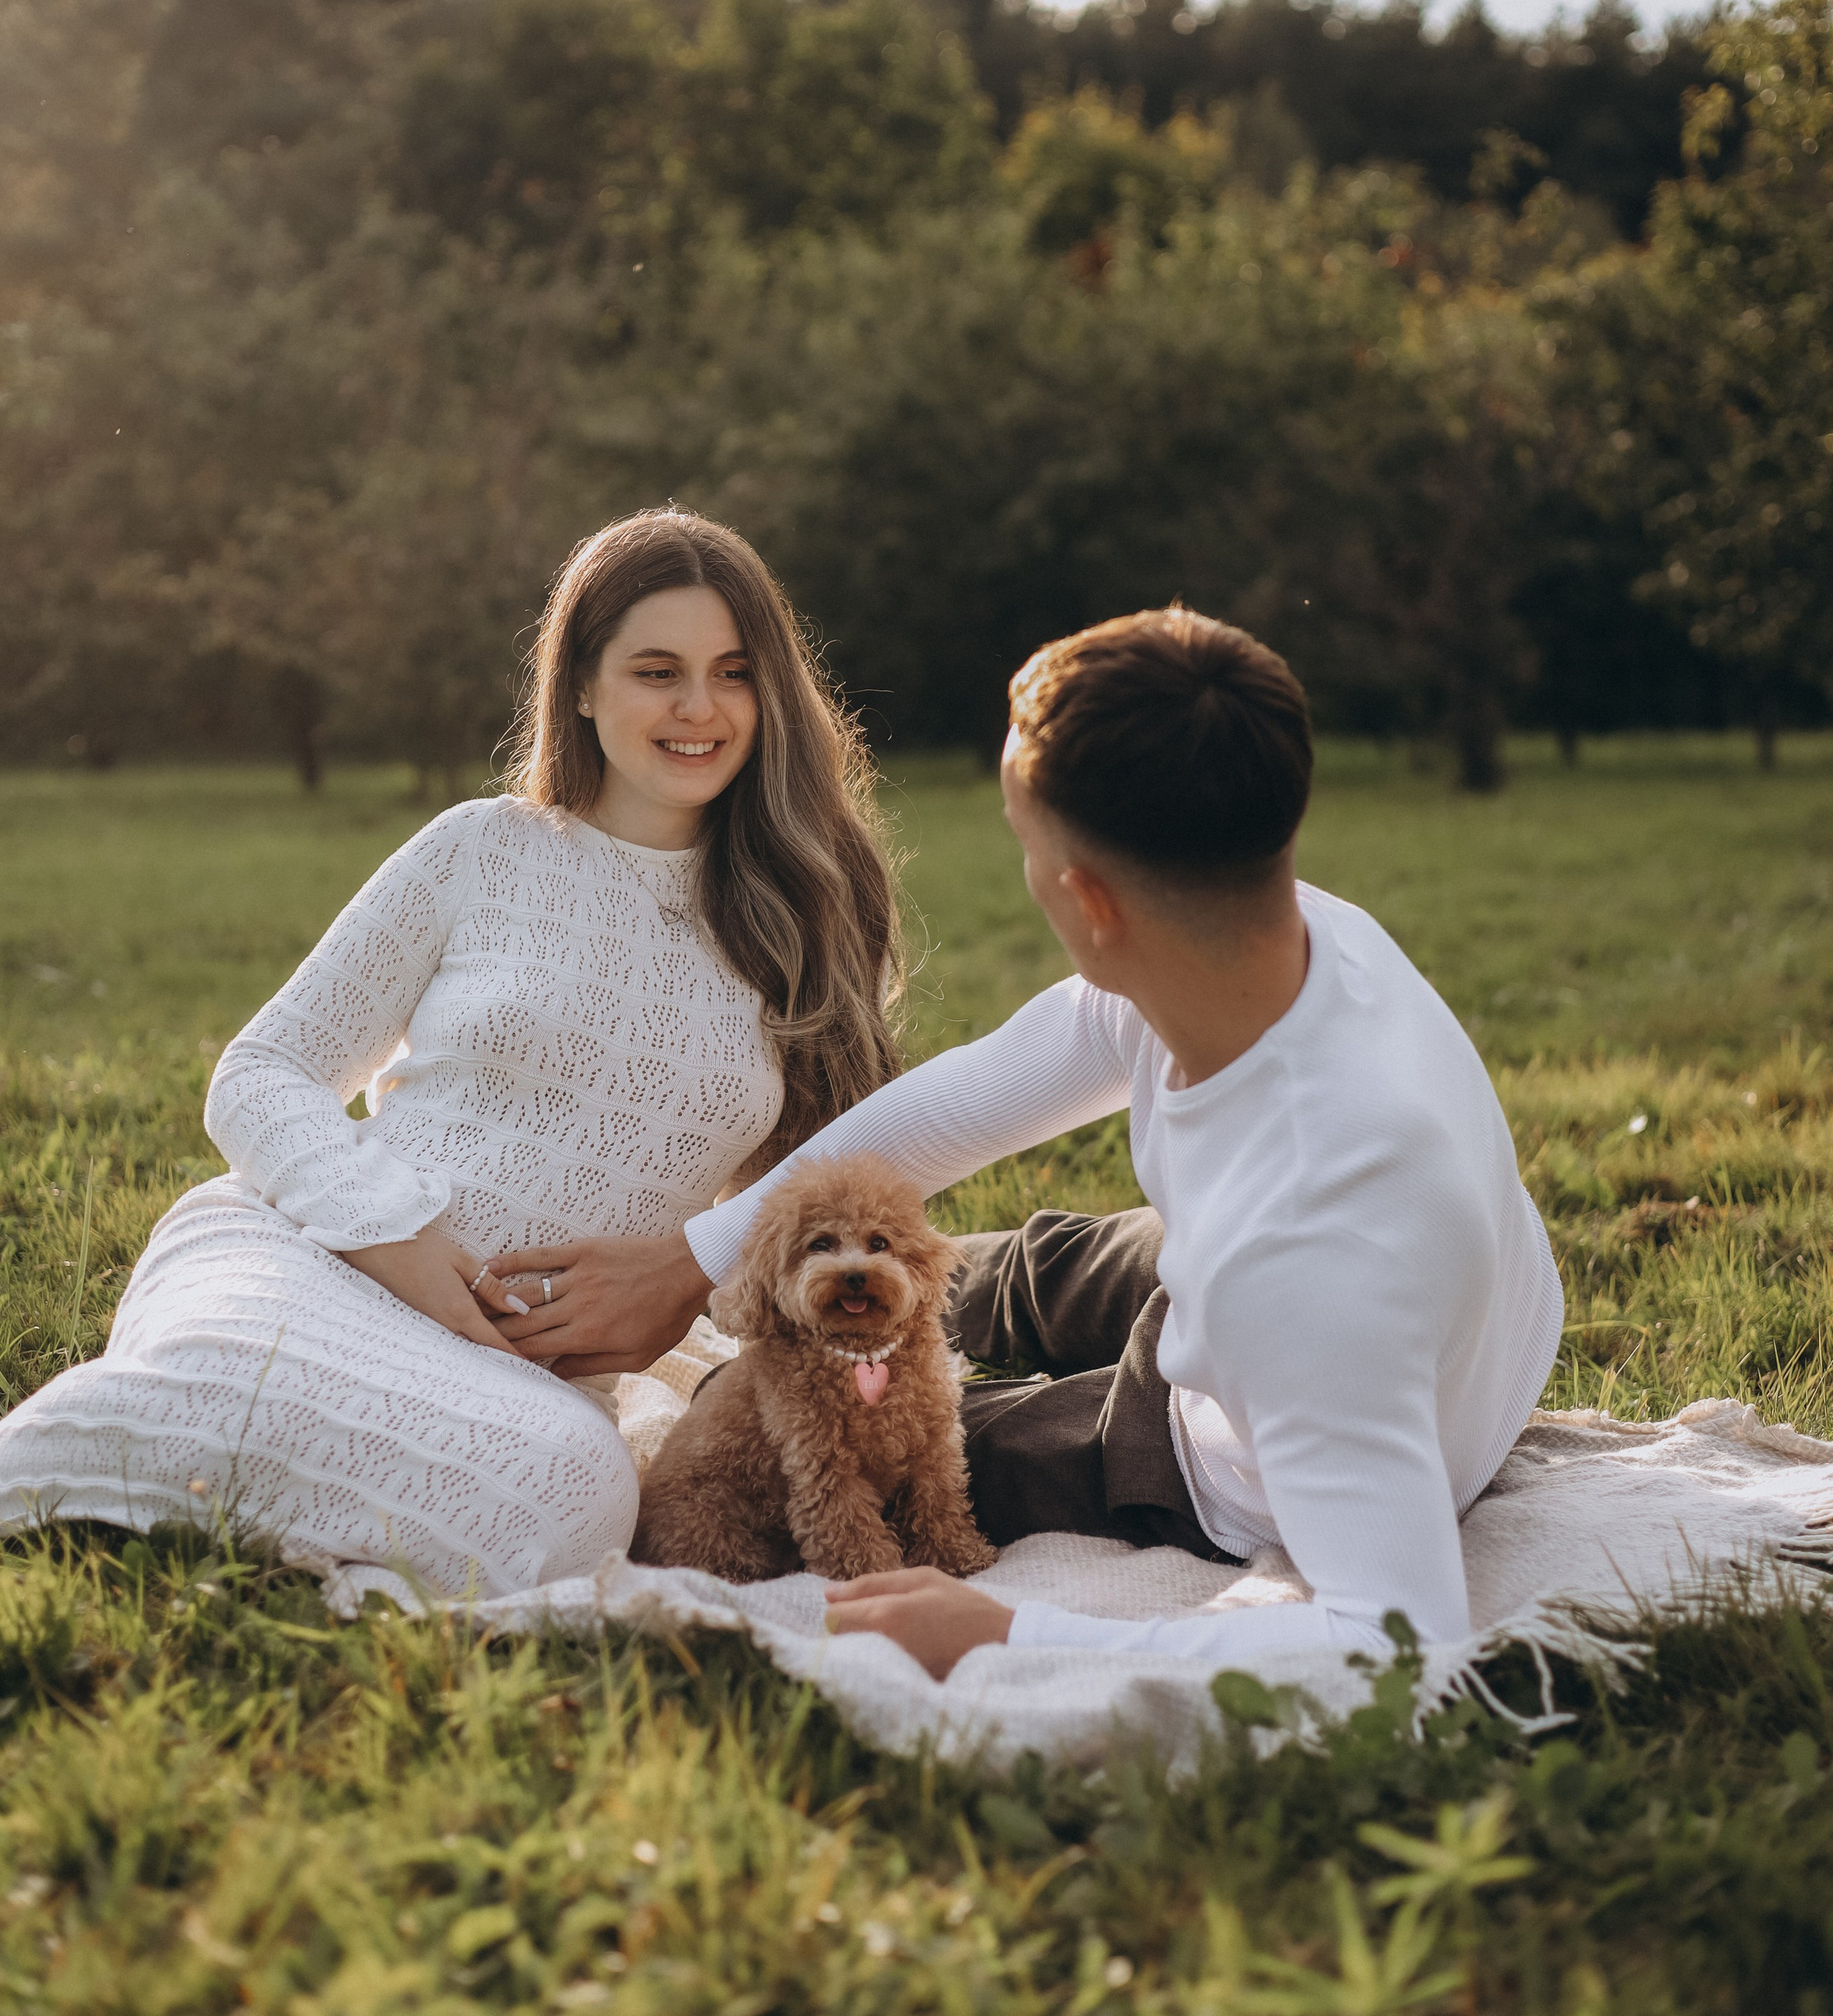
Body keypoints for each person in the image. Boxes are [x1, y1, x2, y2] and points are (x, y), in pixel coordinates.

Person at [519, 607, 1562, 1677]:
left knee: (914, 1429)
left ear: (1091, 901)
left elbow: (1400, 1647)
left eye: (1025, 843)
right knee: (999, 1265)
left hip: (1267, 1424)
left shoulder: (1296, 1266)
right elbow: (973, 1097)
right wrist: (704, 1256)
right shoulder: (1295, 933)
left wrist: (1013, 1632)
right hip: (1402, 1298)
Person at [0, 511, 901, 1597]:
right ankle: (152, 1467)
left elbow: (831, 1192)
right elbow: (263, 1071)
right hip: (318, 1260)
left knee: (578, 1498)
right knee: (223, 1364)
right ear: (578, 683)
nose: (699, 709)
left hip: (530, 1373)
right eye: (657, 671)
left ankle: (210, 1494)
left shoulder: (808, 916)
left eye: (734, 674)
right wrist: (410, 1249)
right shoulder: (484, 849)